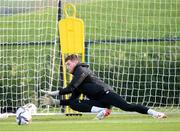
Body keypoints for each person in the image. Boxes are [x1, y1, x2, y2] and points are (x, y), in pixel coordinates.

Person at [41, 54, 167, 119]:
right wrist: (56, 102)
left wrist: (54, 92)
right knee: (74, 103)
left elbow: (69, 89)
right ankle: (102, 111)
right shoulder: (76, 77)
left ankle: (155, 113)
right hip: (98, 101)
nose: (67, 67)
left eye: (68, 64)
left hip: (106, 95)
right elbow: (72, 98)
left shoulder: (81, 70)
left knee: (127, 107)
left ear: (75, 62)